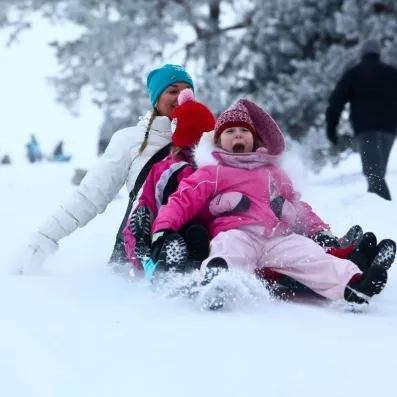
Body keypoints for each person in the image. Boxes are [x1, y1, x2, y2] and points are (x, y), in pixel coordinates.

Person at [150, 99, 389, 308]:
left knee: (310, 255)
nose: (238, 136)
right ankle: (216, 281)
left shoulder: (273, 172)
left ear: (254, 140)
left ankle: (353, 284)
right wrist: (163, 230)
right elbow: (183, 199)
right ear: (220, 142)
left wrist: (319, 230)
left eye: (244, 132)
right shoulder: (214, 171)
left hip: (278, 238)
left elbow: (299, 205)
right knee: (227, 248)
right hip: (237, 232)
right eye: (230, 132)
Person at [10, 64, 195, 275]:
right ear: (156, 99)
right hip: (139, 247)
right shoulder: (129, 140)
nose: (181, 97)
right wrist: (45, 237)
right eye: (172, 91)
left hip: (196, 246)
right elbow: (91, 195)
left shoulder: (207, 142)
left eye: (187, 91)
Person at [123, 88, 216, 276]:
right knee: (190, 233)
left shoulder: (165, 168)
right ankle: (161, 259)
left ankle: (156, 260)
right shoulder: (215, 169)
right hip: (177, 234)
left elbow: (146, 204)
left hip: (178, 233)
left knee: (193, 233)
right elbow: (145, 208)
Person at [326, 39, 397, 201]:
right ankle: (377, 213)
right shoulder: (392, 73)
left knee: (374, 174)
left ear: (362, 53)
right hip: (389, 130)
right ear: (378, 53)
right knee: (377, 174)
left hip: (367, 129)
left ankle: (387, 212)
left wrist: (331, 128)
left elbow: (336, 102)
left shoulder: (354, 74)